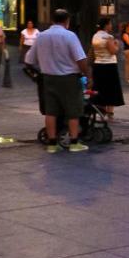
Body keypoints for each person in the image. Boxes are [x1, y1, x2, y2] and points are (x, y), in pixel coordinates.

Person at [27, 9, 93, 153]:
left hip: (48, 78)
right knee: (73, 111)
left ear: (52, 20)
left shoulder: (41, 36)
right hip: (69, 78)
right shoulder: (70, 36)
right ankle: (74, 142)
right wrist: (87, 75)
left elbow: (29, 59)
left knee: (51, 112)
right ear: (67, 21)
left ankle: (52, 144)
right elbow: (81, 59)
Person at [89, 18, 124, 118]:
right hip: (109, 65)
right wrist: (116, 45)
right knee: (111, 89)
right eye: (110, 24)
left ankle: (101, 110)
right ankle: (110, 112)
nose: (111, 26)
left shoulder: (95, 36)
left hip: (98, 65)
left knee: (100, 88)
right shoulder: (108, 37)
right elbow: (113, 51)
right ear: (106, 25)